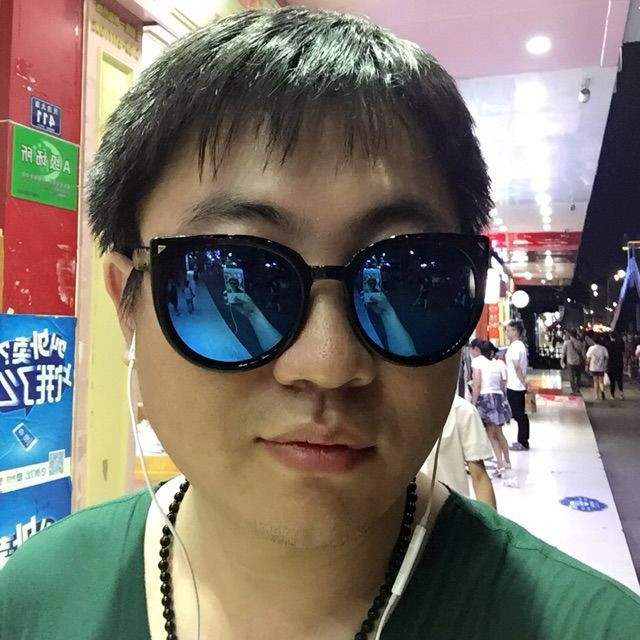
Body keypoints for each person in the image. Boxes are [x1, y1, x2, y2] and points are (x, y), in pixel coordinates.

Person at [1, 8, 639, 640]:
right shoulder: (35, 601)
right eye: (245, 270)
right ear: (127, 304)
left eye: (400, 273)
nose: (329, 364)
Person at [423, 394, 496, 508]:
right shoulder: (397, 412)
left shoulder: (463, 411)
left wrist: (489, 518)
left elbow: (479, 477)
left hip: (449, 508)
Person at [469, 339, 512, 477]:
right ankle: (506, 461)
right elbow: (503, 383)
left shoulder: (477, 362)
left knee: (491, 434)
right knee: (499, 432)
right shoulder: (498, 363)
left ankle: (500, 464)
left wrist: (473, 403)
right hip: (498, 398)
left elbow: (477, 384)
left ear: (478, 350)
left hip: (485, 399)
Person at [505, 320, 531, 451]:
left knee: (518, 414)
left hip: (515, 385)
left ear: (515, 331)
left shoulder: (516, 346)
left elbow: (516, 366)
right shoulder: (519, 346)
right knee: (519, 414)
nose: (507, 333)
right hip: (516, 384)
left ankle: (523, 441)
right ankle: (523, 440)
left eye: (509, 330)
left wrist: (523, 381)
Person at [560, 329, 585, 394]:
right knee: (578, 376)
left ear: (570, 335)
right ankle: (577, 388)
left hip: (570, 362)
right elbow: (583, 353)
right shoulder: (580, 343)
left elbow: (563, 353)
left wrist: (561, 360)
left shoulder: (566, 343)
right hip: (578, 362)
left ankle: (574, 389)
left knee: (571, 377)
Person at [586, 335, 609, 401]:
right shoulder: (603, 348)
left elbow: (588, 358)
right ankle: (602, 390)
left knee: (595, 381)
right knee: (601, 381)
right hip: (601, 367)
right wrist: (606, 365)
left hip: (593, 367)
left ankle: (597, 395)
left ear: (594, 341)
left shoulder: (591, 348)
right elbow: (606, 357)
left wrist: (587, 366)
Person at [606, 331, 625, 399]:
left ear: (610, 336)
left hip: (611, 363)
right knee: (619, 379)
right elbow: (623, 352)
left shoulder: (608, 344)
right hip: (619, 362)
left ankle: (612, 395)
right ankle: (621, 394)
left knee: (612, 380)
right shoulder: (620, 343)